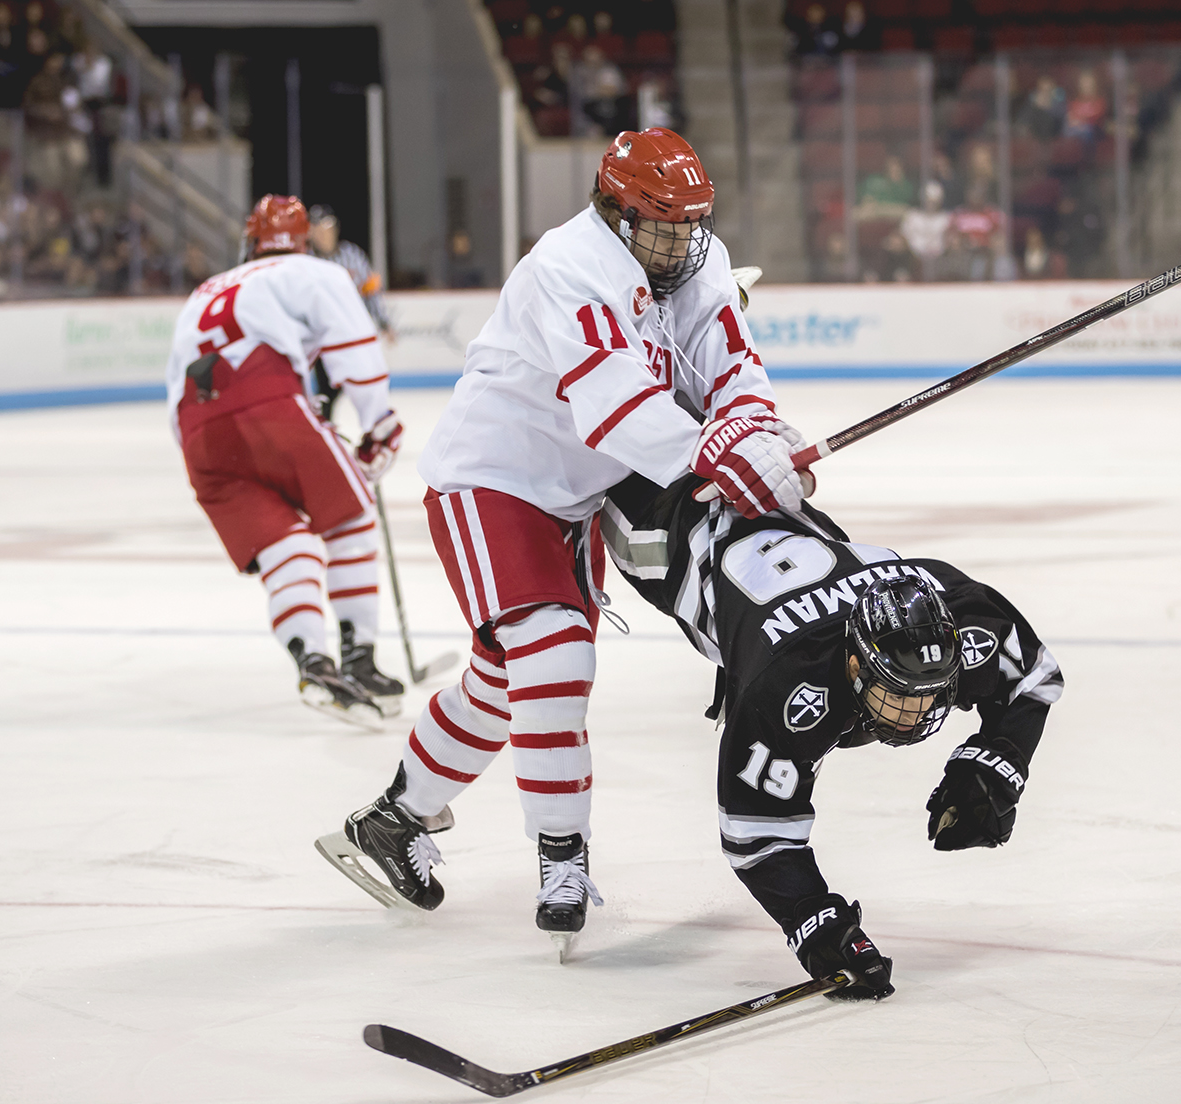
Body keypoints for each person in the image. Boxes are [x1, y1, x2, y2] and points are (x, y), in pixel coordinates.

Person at [314, 127, 810, 956]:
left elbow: (726, 363)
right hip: (495, 478)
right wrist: (714, 454)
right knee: (552, 660)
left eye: (694, 224)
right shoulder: (567, 267)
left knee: (505, 683)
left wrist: (753, 424)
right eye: (665, 226)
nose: (683, 242)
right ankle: (562, 857)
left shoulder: (693, 258)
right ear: (616, 213)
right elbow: (615, 408)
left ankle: (392, 820)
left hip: (572, 499)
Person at [596, 472, 1063, 998]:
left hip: (771, 516)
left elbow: (1032, 676)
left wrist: (995, 760)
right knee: (585, 504)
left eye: (933, 692)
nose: (918, 711)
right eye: (900, 692)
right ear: (855, 663)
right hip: (663, 534)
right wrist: (816, 923)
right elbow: (756, 834)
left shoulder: (957, 608)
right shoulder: (787, 689)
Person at [165, 195, 407, 728]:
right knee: (350, 518)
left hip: (198, 434)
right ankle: (360, 661)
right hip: (269, 403)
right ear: (300, 241)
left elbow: (175, 392)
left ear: (249, 243)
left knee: (287, 545)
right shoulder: (313, 271)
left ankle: (313, 663)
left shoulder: (204, 291)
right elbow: (354, 342)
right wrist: (380, 423)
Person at [307, 205, 391, 333]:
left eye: (325, 229)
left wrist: (383, 322)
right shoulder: (306, 261)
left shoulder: (352, 255)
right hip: (320, 332)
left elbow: (371, 291)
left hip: (355, 329)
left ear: (335, 229)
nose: (321, 235)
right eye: (316, 230)